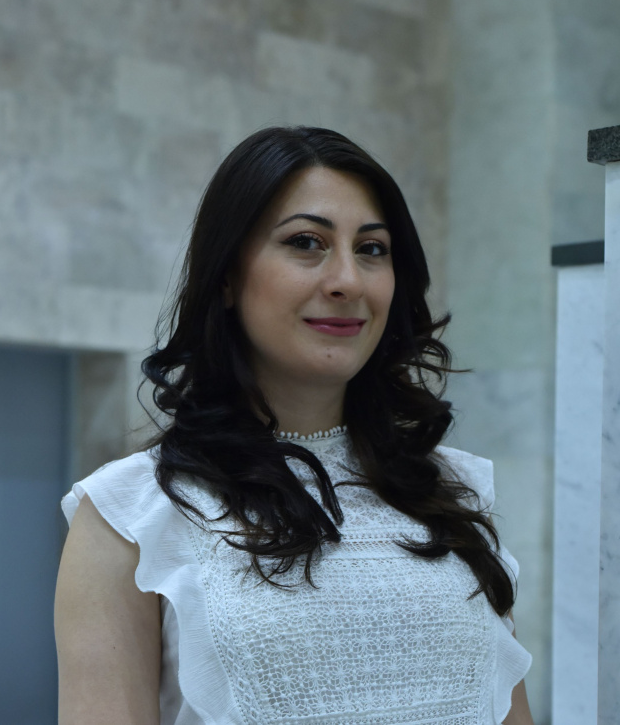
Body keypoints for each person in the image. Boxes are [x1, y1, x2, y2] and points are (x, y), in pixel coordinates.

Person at [54, 126, 534, 725]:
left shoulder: (452, 493)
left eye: (372, 249)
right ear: (226, 276)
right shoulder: (130, 514)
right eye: (306, 242)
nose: (347, 280)